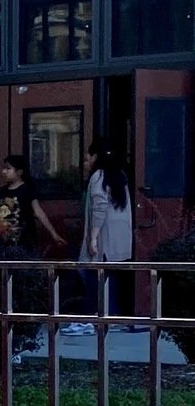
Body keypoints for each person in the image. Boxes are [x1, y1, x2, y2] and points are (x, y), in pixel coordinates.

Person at [66, 141, 137, 332]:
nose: (85, 162)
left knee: (93, 276)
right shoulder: (120, 175)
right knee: (109, 277)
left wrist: (93, 238)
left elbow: (99, 207)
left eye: (87, 157)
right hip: (118, 238)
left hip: (104, 236)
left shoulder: (98, 176)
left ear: (96, 157)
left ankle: (89, 320)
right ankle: (111, 317)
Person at [0, 154, 62, 255]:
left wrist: (54, 234)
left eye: (8, 168)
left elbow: (38, 212)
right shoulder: (2, 192)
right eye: (4, 168)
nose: (4, 172)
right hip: (4, 241)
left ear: (19, 172)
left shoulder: (27, 190)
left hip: (24, 240)